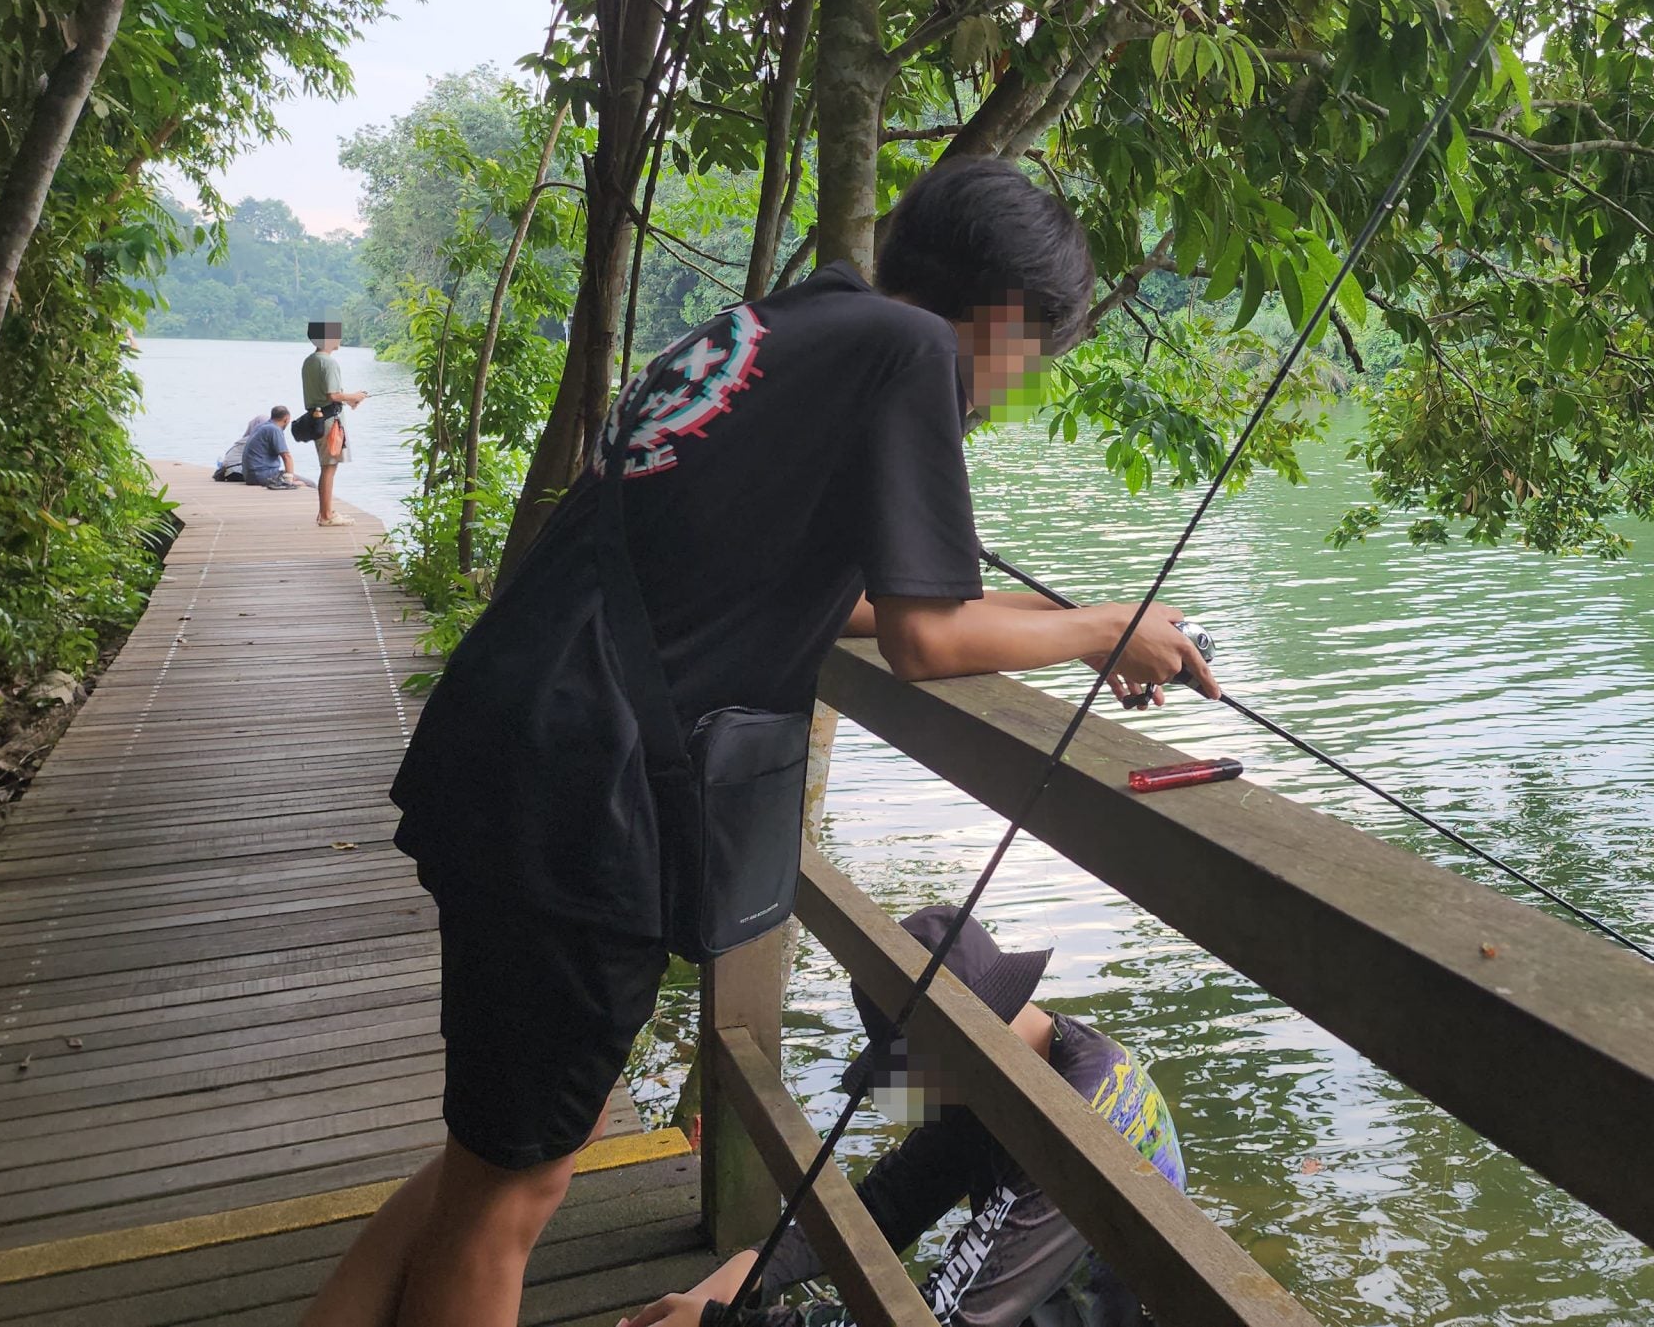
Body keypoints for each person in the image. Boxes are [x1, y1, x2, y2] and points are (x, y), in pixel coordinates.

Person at [304, 159, 1217, 1327]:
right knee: (512, 1195)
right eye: (1033, 353)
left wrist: (1074, 634)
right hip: (583, 789)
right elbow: (928, 640)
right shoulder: (909, 354)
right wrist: (1106, 624)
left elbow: (831, 600)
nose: (1014, 383)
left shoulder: (792, 325)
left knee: (512, 1140)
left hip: (520, 745)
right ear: (1003, 318)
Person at [617, 906, 1184, 1327]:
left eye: (906, 1069)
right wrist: (757, 1266)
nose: (905, 1095)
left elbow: (941, 1319)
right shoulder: (1004, 1066)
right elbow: (892, 1202)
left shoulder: (1075, 1123)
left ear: (943, 1046)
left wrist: (720, 1324)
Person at [301, 320, 367, 525]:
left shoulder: (310, 361)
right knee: (329, 467)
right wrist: (354, 395)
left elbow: (326, 396)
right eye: (335, 335)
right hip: (329, 422)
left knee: (327, 466)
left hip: (317, 418)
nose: (339, 338)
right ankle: (326, 516)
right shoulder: (328, 363)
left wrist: (349, 400)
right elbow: (333, 394)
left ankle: (325, 512)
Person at [240, 406, 306, 489]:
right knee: (308, 484)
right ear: (286, 419)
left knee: (296, 479)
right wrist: (289, 480)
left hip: (249, 477)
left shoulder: (260, 427)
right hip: (263, 475)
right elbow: (287, 457)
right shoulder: (274, 429)